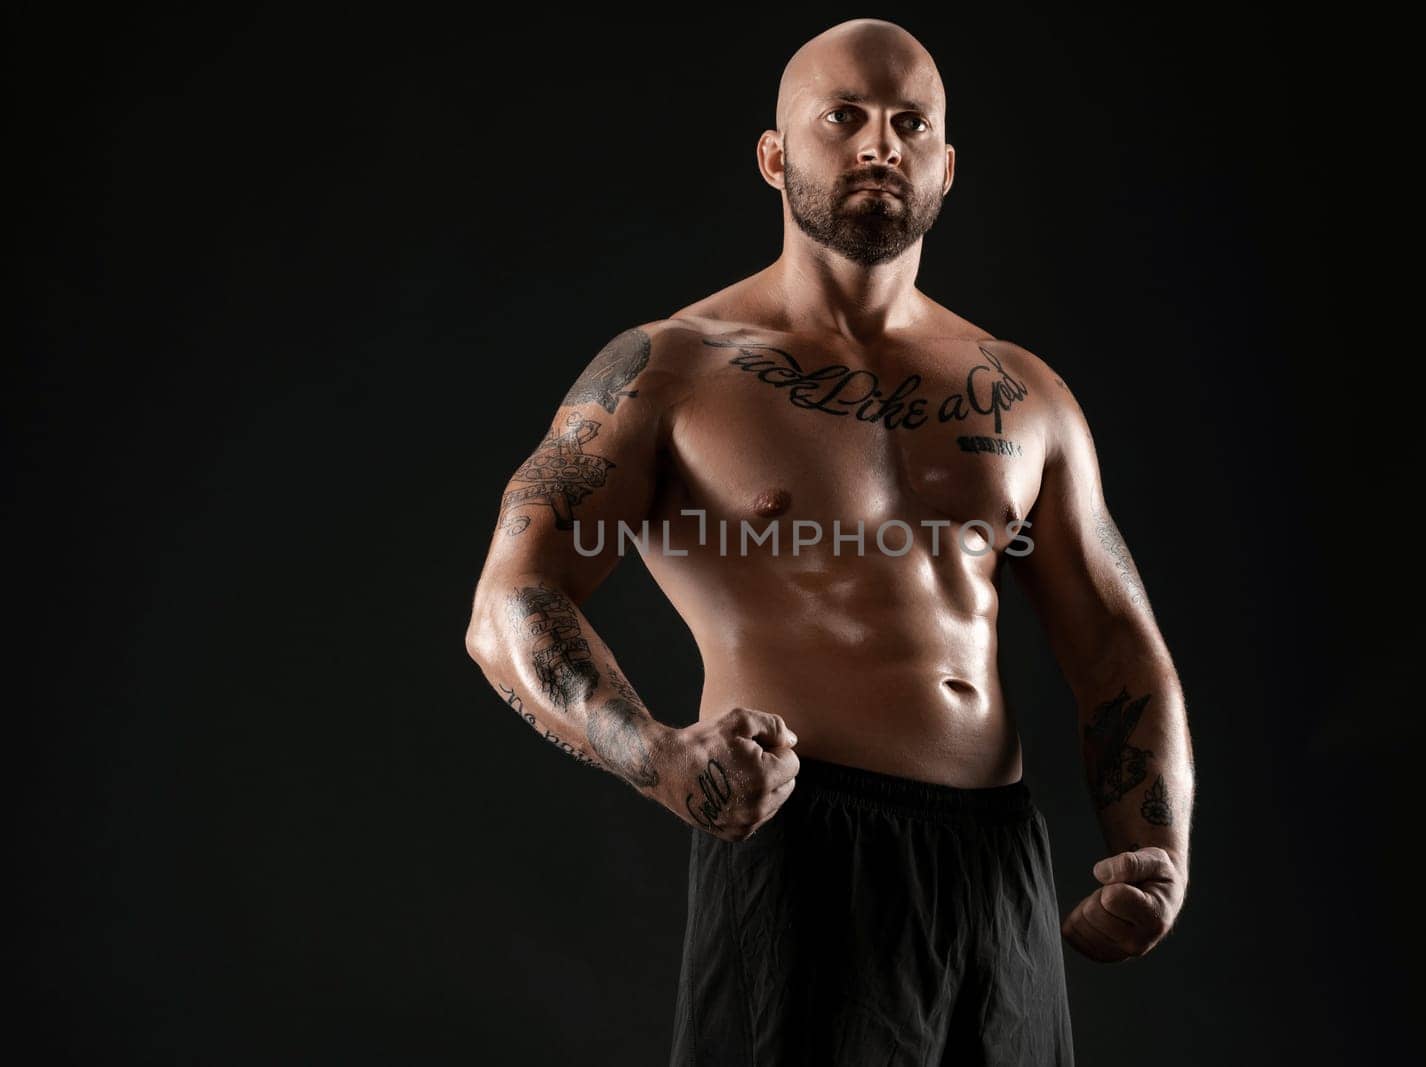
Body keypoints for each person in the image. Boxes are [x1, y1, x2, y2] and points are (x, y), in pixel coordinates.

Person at [464, 17, 1195, 1066]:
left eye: (909, 124)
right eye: (843, 116)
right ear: (774, 154)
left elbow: (1118, 646)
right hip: (804, 850)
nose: (879, 144)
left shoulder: (1024, 390)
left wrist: (1153, 854)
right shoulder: (670, 369)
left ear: (945, 166)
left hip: (998, 868)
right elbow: (509, 601)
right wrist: (659, 758)